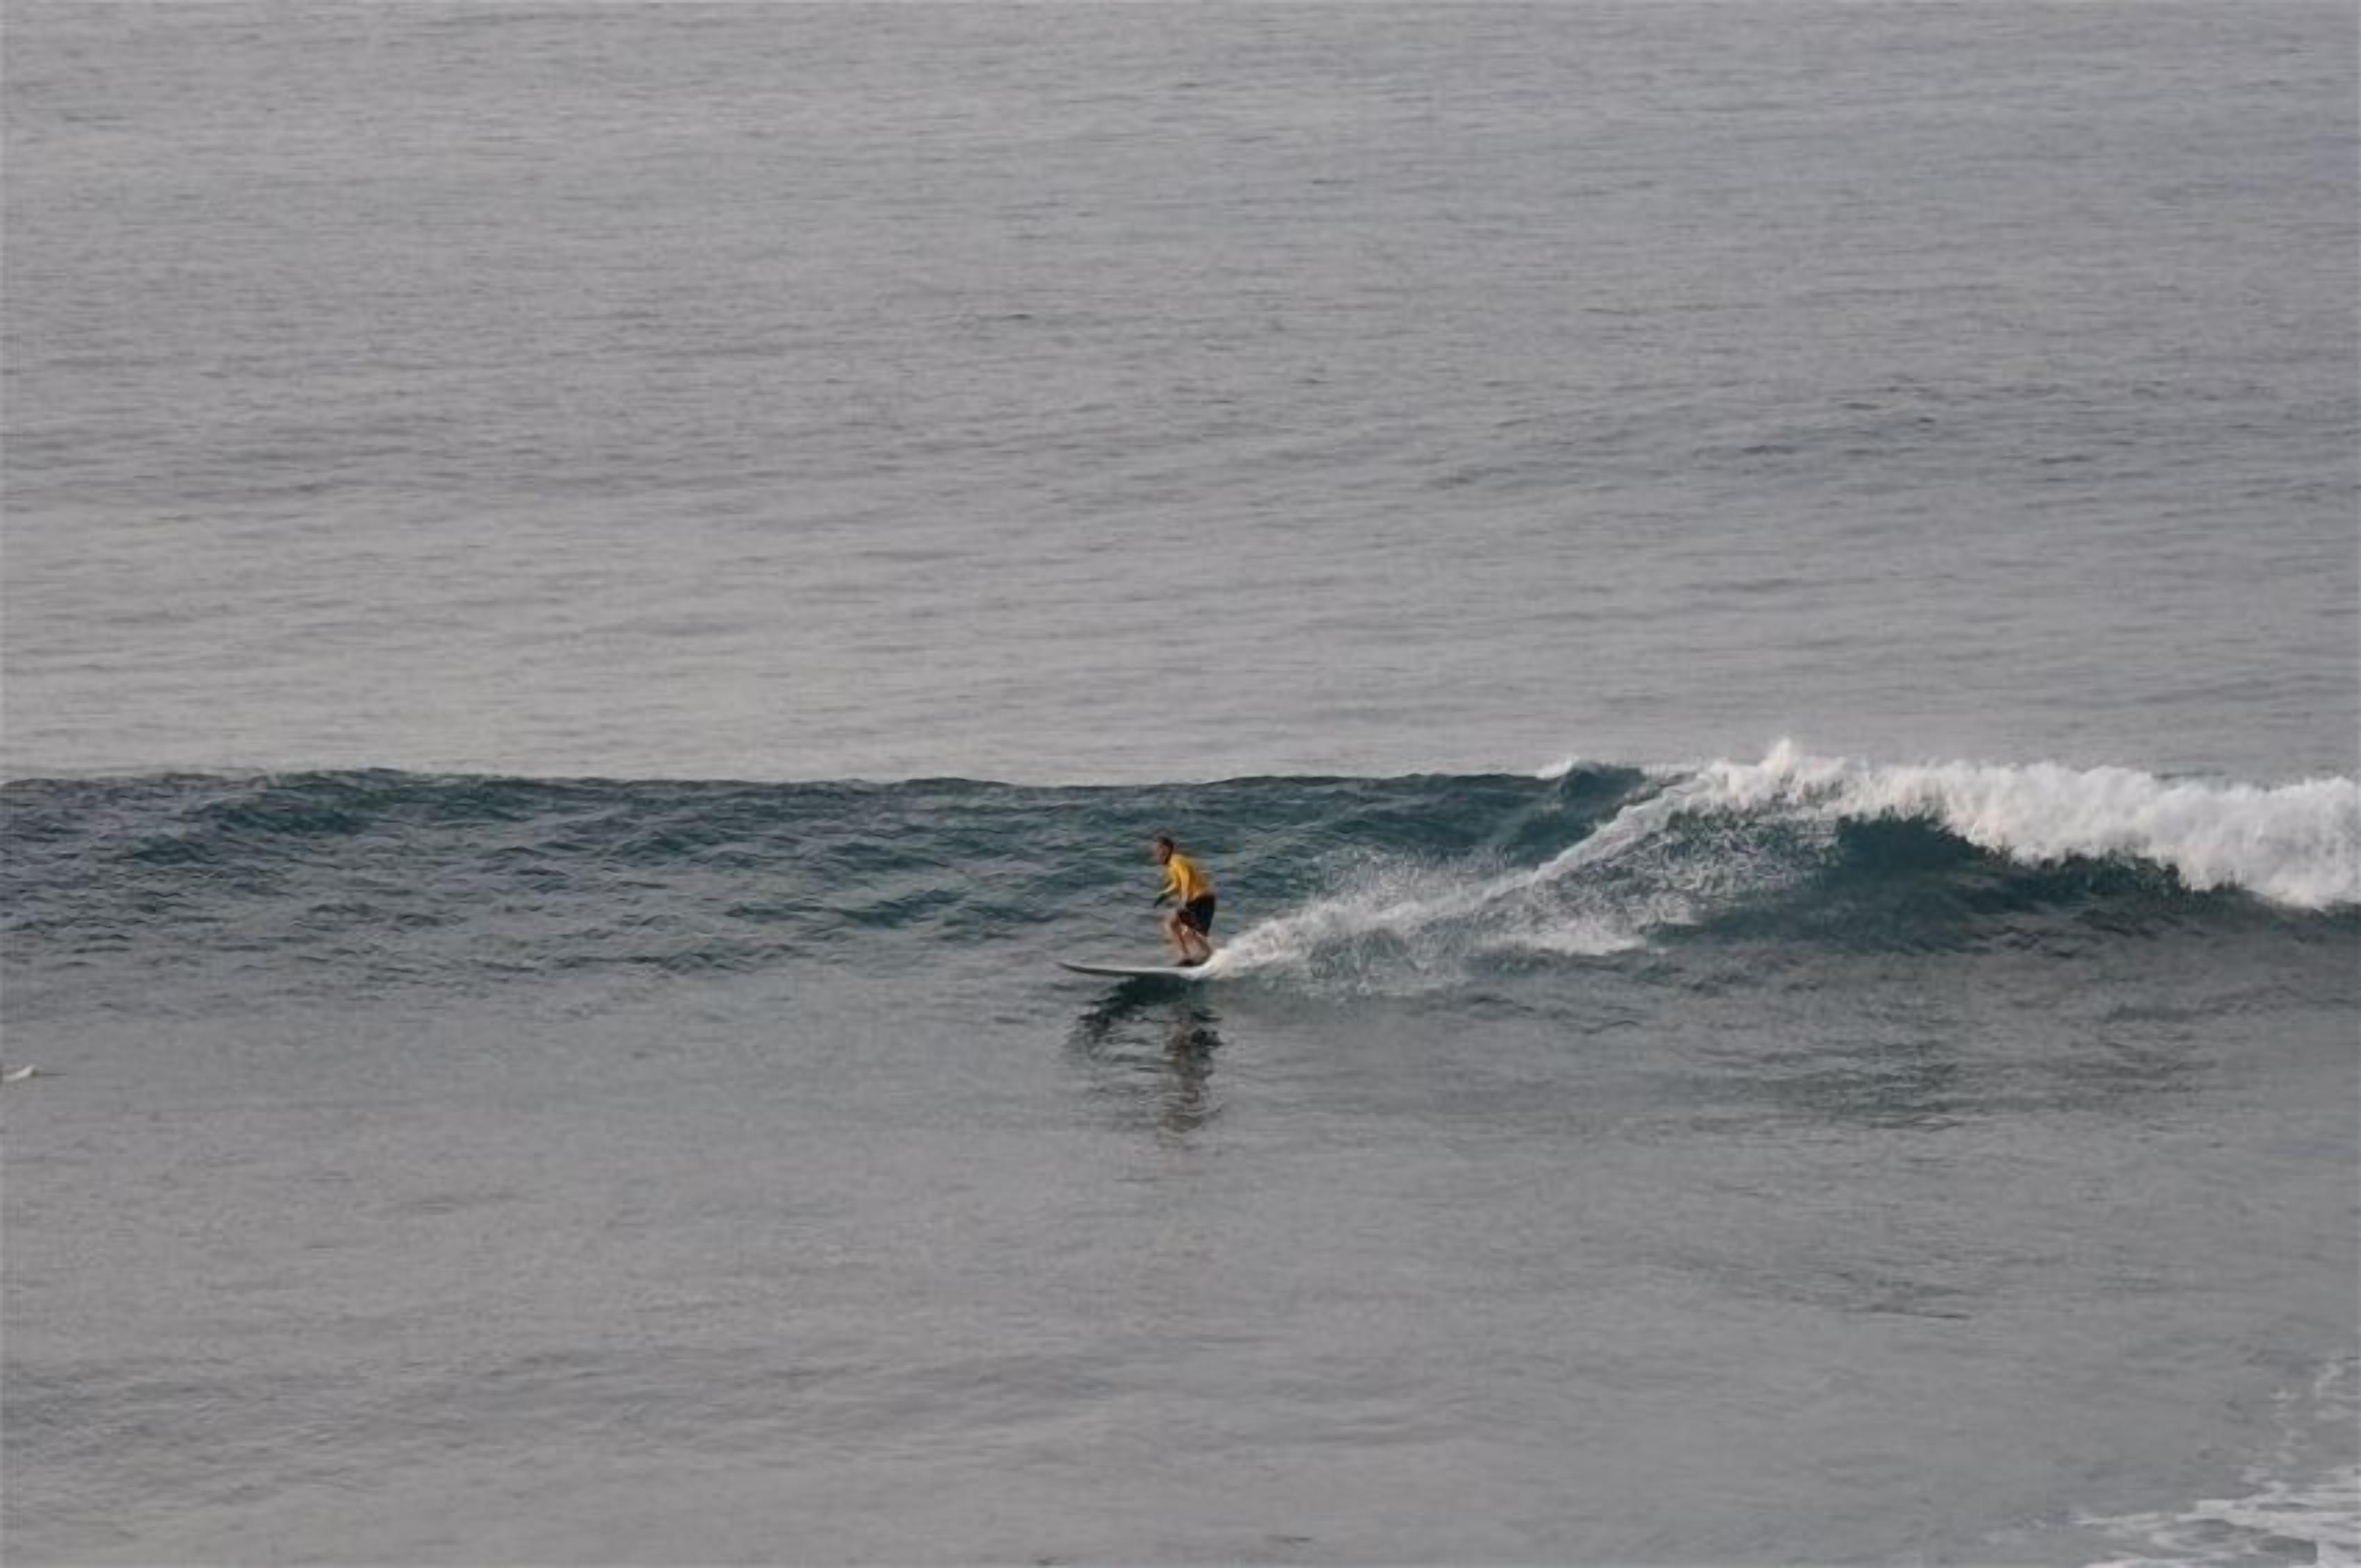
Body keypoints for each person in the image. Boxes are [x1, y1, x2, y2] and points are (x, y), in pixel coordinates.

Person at [1151, 833, 1217, 966]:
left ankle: (1186, 957)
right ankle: (1209, 956)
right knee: (1190, 932)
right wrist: (1164, 894)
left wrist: (1185, 900)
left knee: (1172, 924)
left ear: (1166, 849)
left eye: (1158, 850)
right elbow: (1177, 885)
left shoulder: (1176, 860)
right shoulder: (1173, 864)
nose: (1156, 854)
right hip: (1204, 898)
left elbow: (1186, 878)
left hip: (1199, 898)